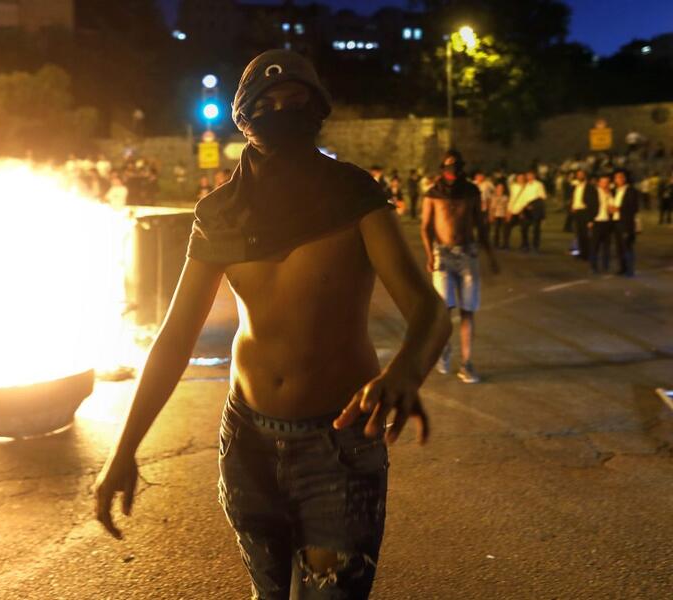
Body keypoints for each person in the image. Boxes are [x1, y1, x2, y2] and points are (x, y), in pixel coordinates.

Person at [93, 49, 451, 599]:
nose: (283, 112)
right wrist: (124, 451)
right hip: (247, 443)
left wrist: (405, 372)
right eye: (268, 104)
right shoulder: (219, 213)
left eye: (297, 101)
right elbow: (173, 339)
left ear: (319, 110)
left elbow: (428, 311)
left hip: (337, 445)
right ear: (243, 119)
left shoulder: (354, 196)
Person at [421, 149, 499, 384]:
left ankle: (466, 362)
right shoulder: (433, 194)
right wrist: (429, 255)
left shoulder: (471, 192)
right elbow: (425, 227)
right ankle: (444, 348)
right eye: (447, 168)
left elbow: (481, 225)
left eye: (456, 168)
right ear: (442, 169)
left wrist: (490, 255)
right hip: (442, 255)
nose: (452, 172)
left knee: (468, 309)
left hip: (467, 254)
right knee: (444, 309)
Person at [612, 169, 640, 276]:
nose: (618, 179)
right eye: (616, 177)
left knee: (627, 246)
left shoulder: (631, 191)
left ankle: (630, 268)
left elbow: (634, 207)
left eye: (620, 177)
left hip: (626, 222)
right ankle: (622, 267)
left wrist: (619, 209)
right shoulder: (615, 191)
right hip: (616, 221)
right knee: (619, 246)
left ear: (625, 178)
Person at [570, 169, 598, 261]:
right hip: (577, 212)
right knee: (579, 234)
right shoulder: (575, 186)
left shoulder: (590, 187)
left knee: (586, 234)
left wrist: (591, 216)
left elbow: (592, 202)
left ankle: (587, 254)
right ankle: (581, 252)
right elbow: (574, 198)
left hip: (585, 211)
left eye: (581, 174)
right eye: (578, 174)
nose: (580, 176)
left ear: (585, 175)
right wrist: (572, 206)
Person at [590, 174, 614, 274]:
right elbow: (589, 206)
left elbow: (612, 206)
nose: (605, 184)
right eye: (603, 182)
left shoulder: (610, 193)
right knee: (595, 245)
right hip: (597, 221)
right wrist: (589, 220)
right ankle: (593, 266)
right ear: (599, 183)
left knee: (606, 246)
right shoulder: (594, 192)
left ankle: (605, 265)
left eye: (607, 182)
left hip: (607, 221)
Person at [489, 181, 509, 249]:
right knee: (496, 230)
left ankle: (505, 244)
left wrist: (507, 215)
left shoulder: (505, 197)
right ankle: (496, 244)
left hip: (503, 215)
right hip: (496, 215)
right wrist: (491, 215)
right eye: (499, 188)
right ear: (496, 188)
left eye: (502, 188)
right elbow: (492, 207)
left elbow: (507, 206)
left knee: (504, 230)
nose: (500, 189)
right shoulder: (493, 196)